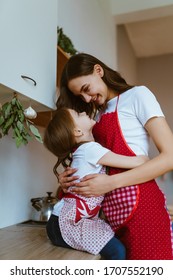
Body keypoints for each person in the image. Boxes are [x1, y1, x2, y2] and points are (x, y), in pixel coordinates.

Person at [56, 52, 173, 260]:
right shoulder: (96, 117)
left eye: (86, 89)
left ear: (98, 71)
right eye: (79, 96)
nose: (85, 99)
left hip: (143, 211)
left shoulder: (138, 95)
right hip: (110, 218)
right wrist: (70, 181)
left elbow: (170, 157)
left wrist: (109, 183)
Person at [44, 107, 148, 259]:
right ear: (78, 132)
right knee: (117, 251)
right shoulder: (90, 149)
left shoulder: (81, 151)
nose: (85, 112)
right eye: (79, 113)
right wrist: (145, 159)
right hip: (69, 224)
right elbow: (132, 162)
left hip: (59, 223)